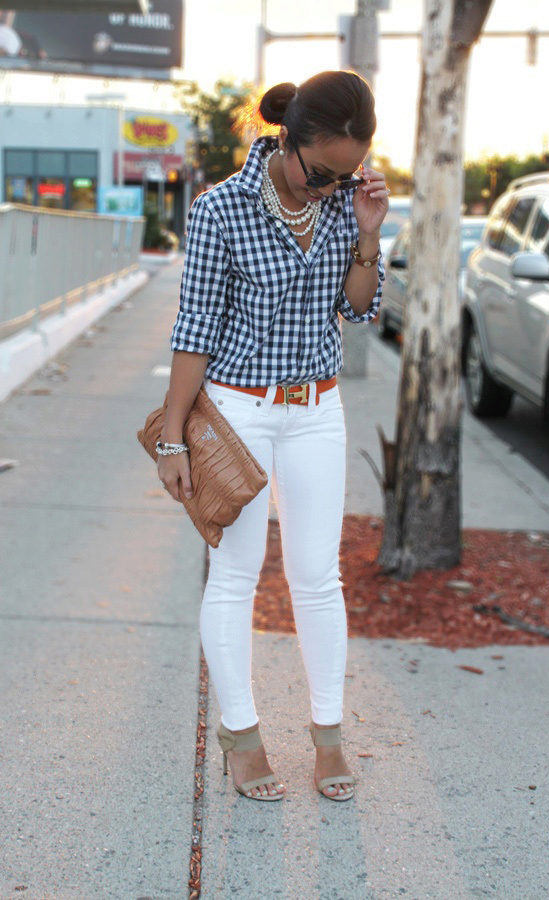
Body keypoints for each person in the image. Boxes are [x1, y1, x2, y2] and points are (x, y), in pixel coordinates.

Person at [157, 71, 389, 802]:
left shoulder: (345, 204)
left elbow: (359, 310)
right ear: (286, 141)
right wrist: (172, 438)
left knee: (319, 577)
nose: (328, 189)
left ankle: (328, 736)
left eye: (344, 176)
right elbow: (195, 330)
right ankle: (242, 736)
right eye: (320, 173)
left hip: (317, 408)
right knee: (236, 574)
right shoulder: (221, 209)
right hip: (240, 412)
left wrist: (368, 234)